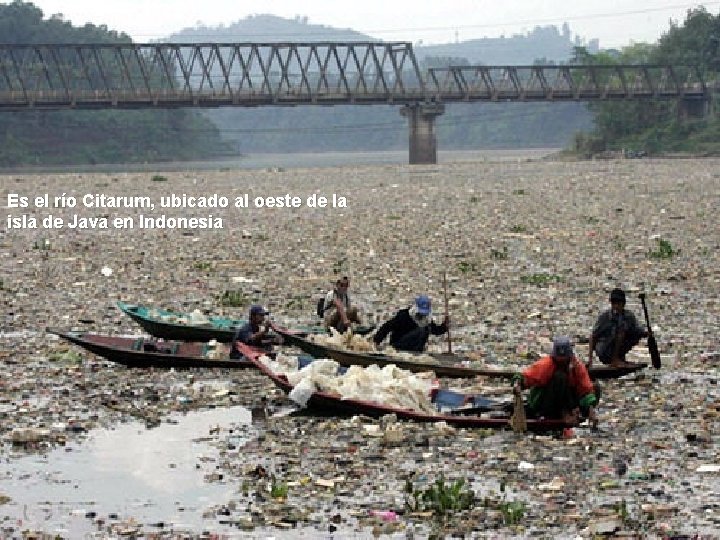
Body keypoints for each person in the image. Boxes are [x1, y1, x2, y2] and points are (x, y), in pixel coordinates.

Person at [512, 336, 598, 425]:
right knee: (560, 377)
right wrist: (517, 385)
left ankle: (577, 413)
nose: (562, 365)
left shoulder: (576, 367)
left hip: (569, 401)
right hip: (546, 404)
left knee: (595, 387)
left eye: (564, 362)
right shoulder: (545, 365)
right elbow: (523, 378)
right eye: (559, 362)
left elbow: (586, 389)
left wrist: (591, 410)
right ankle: (563, 414)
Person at [588, 288, 648, 368]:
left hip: (616, 347)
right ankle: (615, 360)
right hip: (604, 350)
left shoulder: (628, 316)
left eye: (618, 303)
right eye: (614, 303)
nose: (616, 306)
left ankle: (620, 358)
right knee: (620, 331)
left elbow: (638, 331)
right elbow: (593, 336)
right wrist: (590, 361)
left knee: (634, 334)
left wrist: (647, 334)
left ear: (623, 304)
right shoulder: (605, 317)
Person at [373, 295, 449, 352]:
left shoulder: (426, 320)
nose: (421, 315)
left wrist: (444, 325)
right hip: (399, 345)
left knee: (425, 330)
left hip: (414, 349)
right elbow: (387, 327)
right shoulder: (404, 315)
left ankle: (417, 353)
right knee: (422, 330)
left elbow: (435, 330)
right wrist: (377, 341)